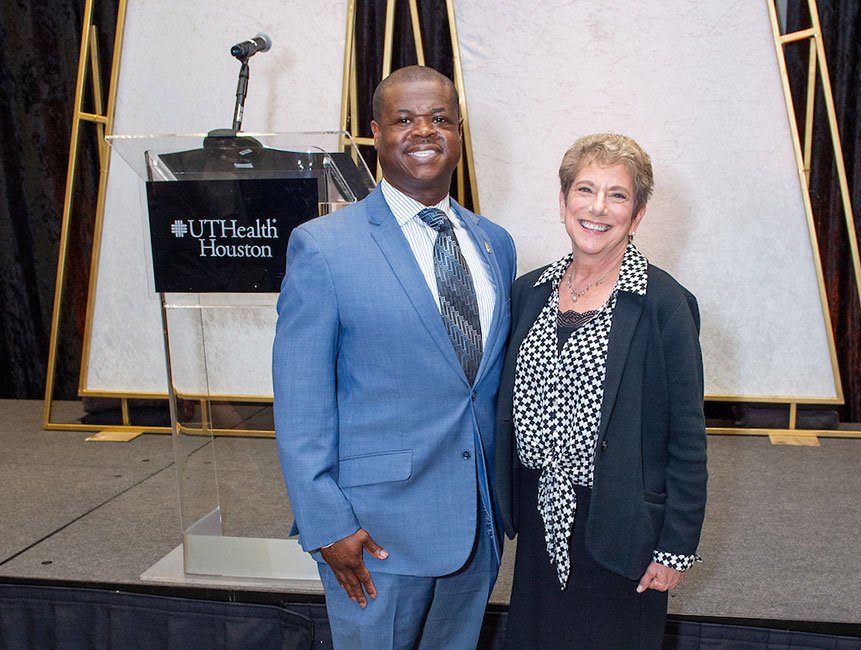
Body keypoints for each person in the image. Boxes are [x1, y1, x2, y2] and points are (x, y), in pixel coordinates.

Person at [272, 65, 516, 649]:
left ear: (459, 135)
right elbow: (300, 401)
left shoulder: (495, 243)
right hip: (374, 533)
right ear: (376, 134)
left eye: (439, 119)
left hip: (477, 523)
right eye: (404, 119)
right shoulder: (324, 247)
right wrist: (326, 523)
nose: (423, 132)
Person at [495, 133, 707, 649]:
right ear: (563, 201)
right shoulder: (528, 292)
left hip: (623, 532)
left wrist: (674, 549)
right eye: (585, 190)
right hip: (541, 526)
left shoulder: (664, 305)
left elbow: (687, 438)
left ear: (636, 214)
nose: (597, 207)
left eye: (617, 195)